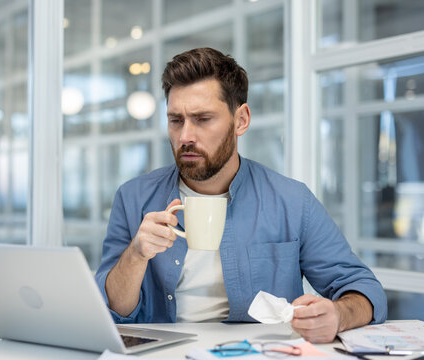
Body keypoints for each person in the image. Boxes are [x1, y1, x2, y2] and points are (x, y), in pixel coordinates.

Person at [94, 47, 387, 343]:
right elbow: (110, 310)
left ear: (241, 120)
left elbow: (365, 290)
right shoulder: (132, 198)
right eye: (176, 120)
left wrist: (337, 315)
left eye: (203, 118)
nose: (185, 137)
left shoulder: (292, 201)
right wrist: (135, 255)